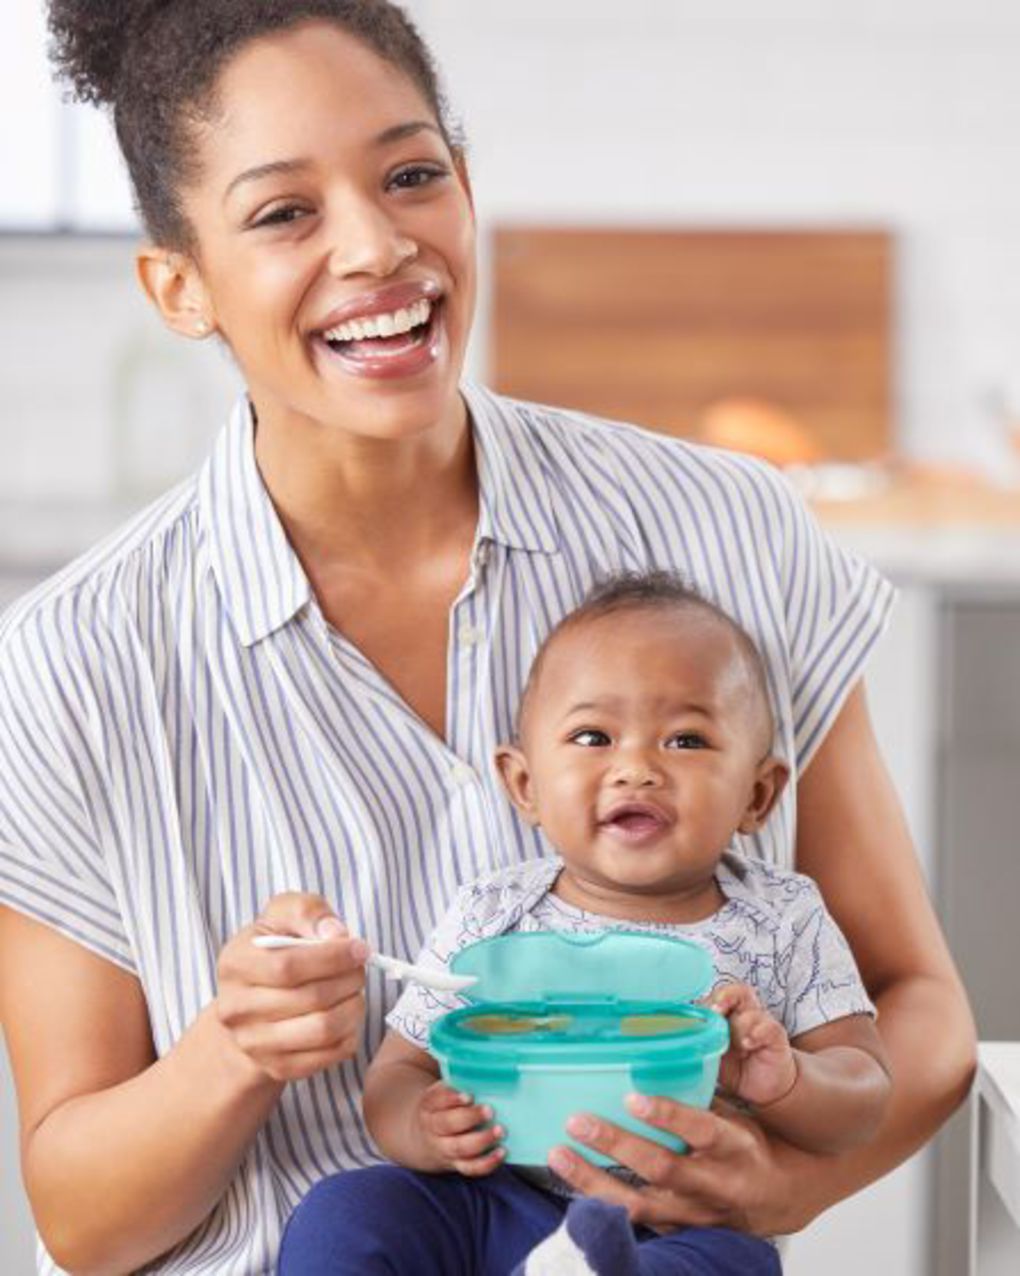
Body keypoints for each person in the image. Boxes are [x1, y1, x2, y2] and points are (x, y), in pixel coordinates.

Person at [0, 2, 973, 1274]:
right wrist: (234, 1050)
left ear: (465, 186)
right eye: (286, 212)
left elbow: (924, 1011)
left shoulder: (723, 526)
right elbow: (79, 1217)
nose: (377, 246)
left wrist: (788, 1178)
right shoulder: (76, 661)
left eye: (411, 175)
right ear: (178, 284)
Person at [277, 571, 892, 1275]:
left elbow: (863, 1095)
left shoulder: (780, 918)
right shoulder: (492, 913)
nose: (636, 769)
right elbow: (398, 1074)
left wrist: (788, 1081)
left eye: (686, 741)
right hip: (494, 1204)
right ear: (525, 785)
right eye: (594, 735)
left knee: (734, 1265)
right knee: (348, 1209)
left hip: (673, 1224)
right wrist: (423, 1126)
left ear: (758, 793)